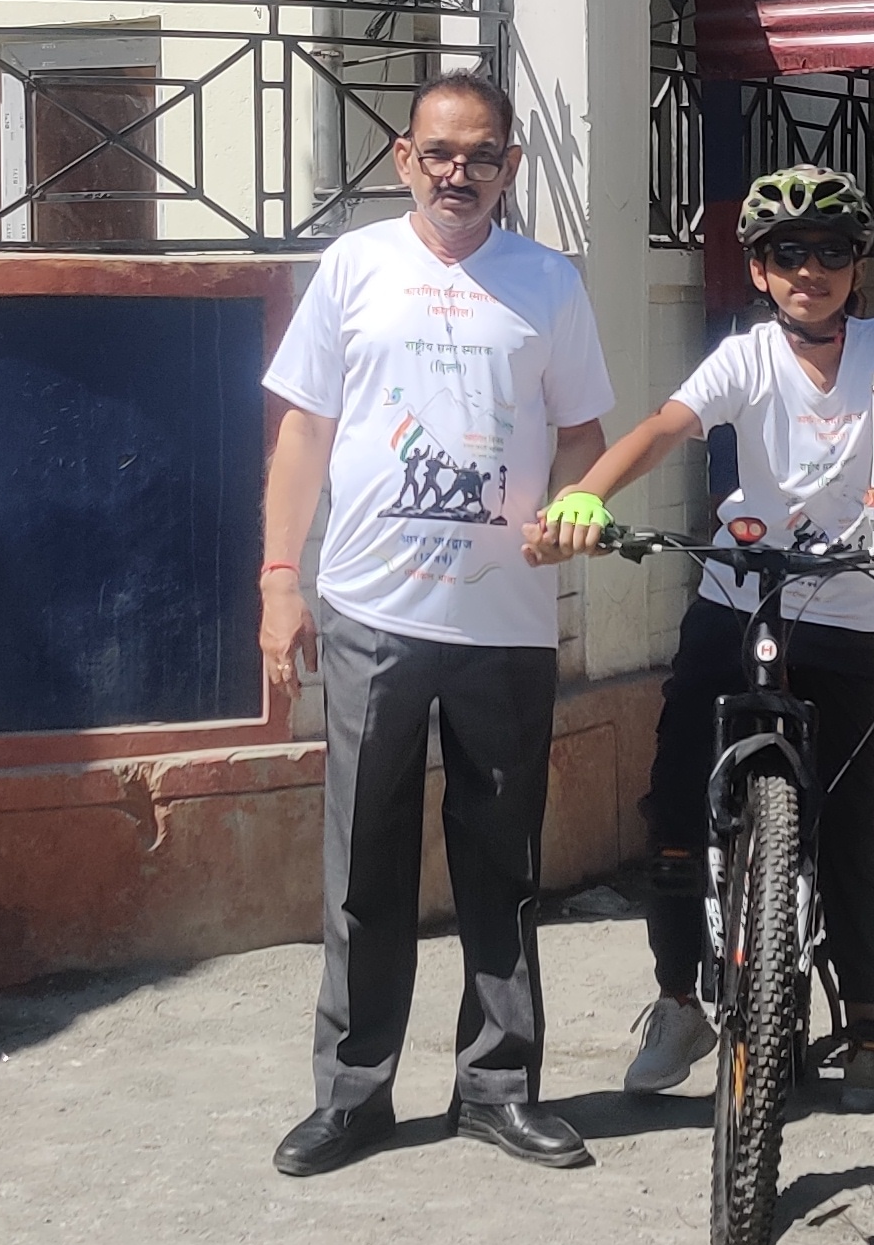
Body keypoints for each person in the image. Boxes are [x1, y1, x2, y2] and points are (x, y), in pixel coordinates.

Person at [527, 166, 874, 1111]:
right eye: (789, 254)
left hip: (851, 611)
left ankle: (868, 1037)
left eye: (831, 252)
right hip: (734, 607)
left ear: (857, 267)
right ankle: (676, 1004)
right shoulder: (745, 357)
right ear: (759, 269)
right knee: (670, 809)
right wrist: (586, 494)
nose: (810, 270)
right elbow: (668, 425)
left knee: (856, 834)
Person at [259, 68, 614, 1180]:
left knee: (500, 863)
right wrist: (279, 575)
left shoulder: (548, 283)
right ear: (406, 159)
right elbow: (305, 432)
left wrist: (577, 502)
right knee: (365, 863)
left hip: (504, 619)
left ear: (511, 167)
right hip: (372, 611)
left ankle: (497, 1087)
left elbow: (582, 435)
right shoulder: (354, 268)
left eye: (485, 156)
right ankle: (353, 1096)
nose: (461, 173)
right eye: (441, 154)